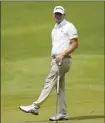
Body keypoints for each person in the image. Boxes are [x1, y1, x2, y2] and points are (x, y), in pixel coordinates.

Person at [19, 5, 78, 121]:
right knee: (59, 87)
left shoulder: (69, 26)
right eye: (56, 13)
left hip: (63, 60)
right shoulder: (55, 29)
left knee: (49, 82)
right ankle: (63, 113)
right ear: (53, 15)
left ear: (63, 15)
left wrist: (62, 54)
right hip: (57, 60)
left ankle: (35, 107)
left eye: (60, 14)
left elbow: (75, 44)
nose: (57, 15)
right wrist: (55, 57)